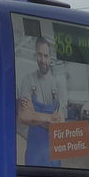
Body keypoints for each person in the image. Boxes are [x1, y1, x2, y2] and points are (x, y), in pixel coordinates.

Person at [16, 35, 67, 166]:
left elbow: (60, 124)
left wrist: (34, 116)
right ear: (35, 56)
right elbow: (23, 116)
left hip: (53, 156)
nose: (43, 60)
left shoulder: (59, 85)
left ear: (51, 58)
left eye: (46, 56)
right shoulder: (28, 80)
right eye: (40, 55)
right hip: (34, 154)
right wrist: (50, 118)